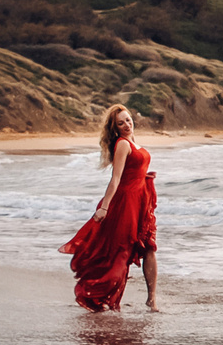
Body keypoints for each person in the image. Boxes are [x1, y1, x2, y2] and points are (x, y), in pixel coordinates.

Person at [60, 104, 158, 311]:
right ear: (115, 127)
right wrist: (104, 208)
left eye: (128, 120)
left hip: (141, 201)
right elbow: (115, 179)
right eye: (121, 123)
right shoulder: (122, 144)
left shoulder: (135, 143)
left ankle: (152, 299)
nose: (126, 125)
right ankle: (103, 296)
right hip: (126, 203)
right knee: (120, 252)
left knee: (149, 247)